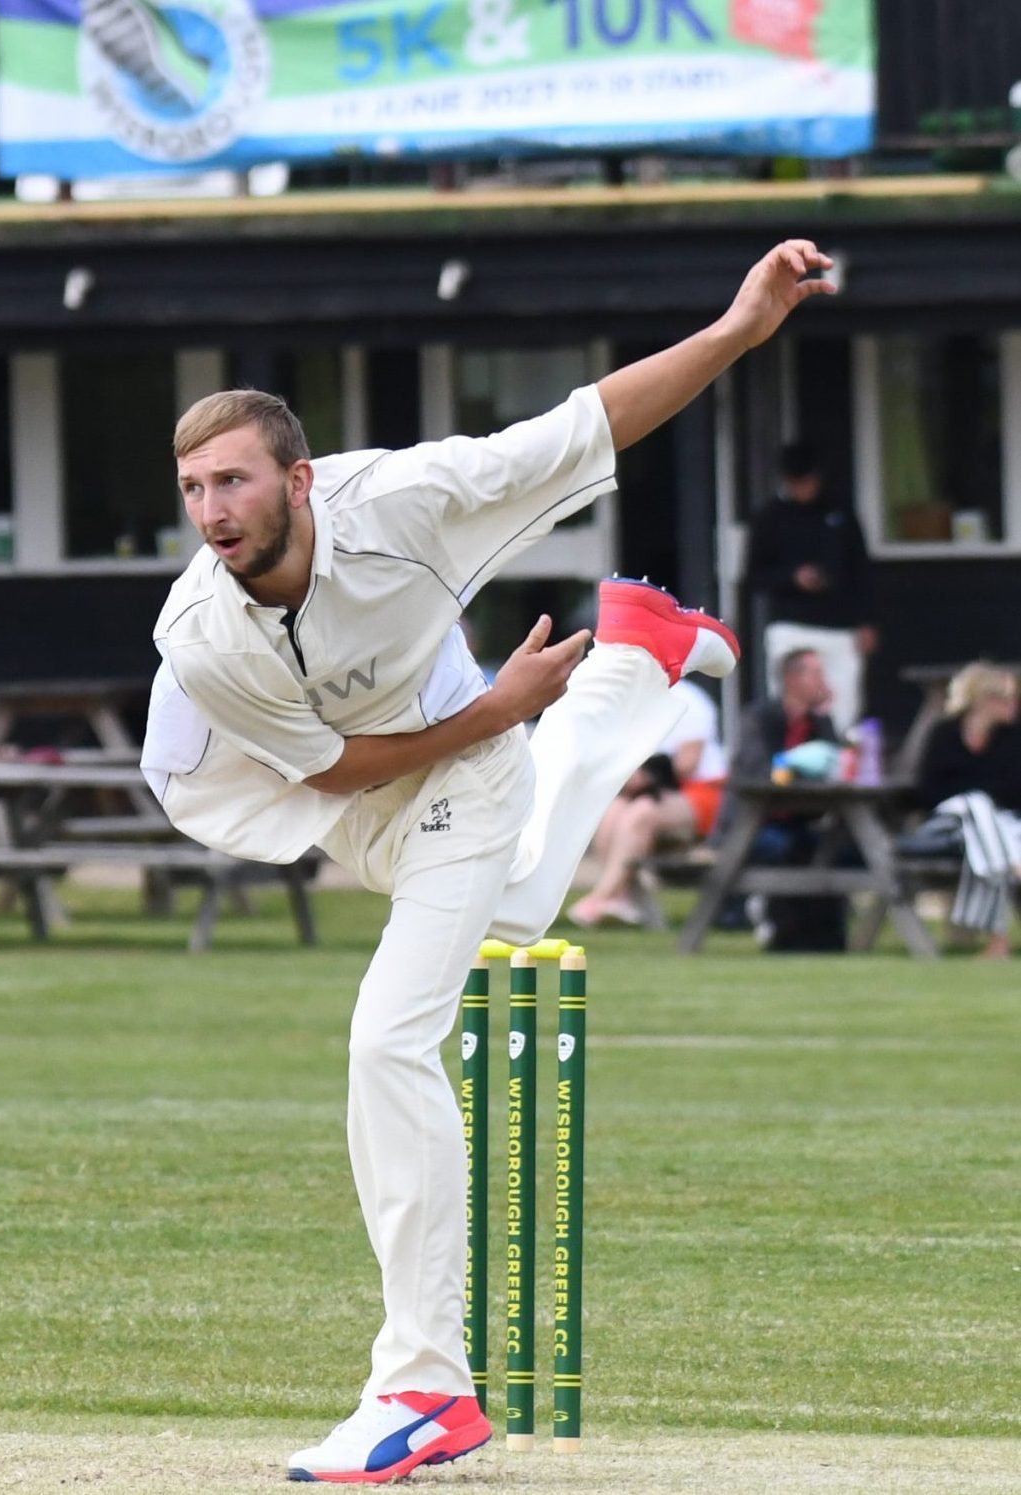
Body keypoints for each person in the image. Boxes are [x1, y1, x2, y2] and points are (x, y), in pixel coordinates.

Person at [142, 241, 832, 1484]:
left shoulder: (404, 499)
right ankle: (633, 658)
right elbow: (333, 775)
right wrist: (505, 702)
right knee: (513, 905)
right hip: (334, 792)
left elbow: (587, 424)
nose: (212, 511)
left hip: (458, 769)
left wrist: (738, 326)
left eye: (231, 480)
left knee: (384, 1042)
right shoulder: (201, 636)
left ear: (297, 477)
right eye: (192, 488)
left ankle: (421, 1388)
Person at [569, 677, 727, 927]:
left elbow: (687, 764)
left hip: (702, 792)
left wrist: (644, 776)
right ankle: (624, 899)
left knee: (640, 814)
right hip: (650, 794)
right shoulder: (626, 701)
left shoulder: (689, 700)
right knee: (612, 812)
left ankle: (601, 897)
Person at [745, 439, 877, 733]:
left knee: (845, 701)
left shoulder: (841, 513)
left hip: (839, 625)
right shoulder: (770, 518)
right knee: (790, 702)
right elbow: (754, 577)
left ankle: (840, 754)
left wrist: (867, 620)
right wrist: (793, 578)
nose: (802, 489)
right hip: (791, 625)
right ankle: (790, 753)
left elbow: (861, 569)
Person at [725, 647, 843, 949]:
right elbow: (758, 772)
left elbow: (835, 768)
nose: (823, 682)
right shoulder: (760, 718)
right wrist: (793, 764)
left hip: (798, 822)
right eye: (816, 674)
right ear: (792, 679)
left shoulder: (820, 723)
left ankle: (818, 939)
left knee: (831, 848)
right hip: (752, 823)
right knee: (783, 847)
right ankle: (764, 914)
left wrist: (826, 719)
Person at [911, 663, 1021, 957]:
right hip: (950, 827)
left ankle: (998, 941)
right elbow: (929, 793)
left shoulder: (1013, 739)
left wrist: (974, 792)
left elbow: (1015, 792)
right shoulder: (943, 735)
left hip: (997, 830)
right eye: (1005, 698)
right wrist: (978, 795)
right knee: (976, 805)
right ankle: (1013, 864)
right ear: (981, 699)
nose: (1013, 704)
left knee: (985, 826)